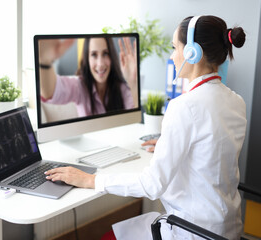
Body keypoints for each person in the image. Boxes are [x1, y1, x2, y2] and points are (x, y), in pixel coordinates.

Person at [45, 15, 247, 240]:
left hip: (192, 231)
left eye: (174, 47)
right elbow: (210, 150)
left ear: (192, 52)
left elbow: (152, 185)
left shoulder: (183, 107)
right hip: (227, 230)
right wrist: (169, 143)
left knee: (107, 237)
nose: (172, 56)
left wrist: (91, 180)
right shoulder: (237, 101)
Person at [38, 36, 138, 117]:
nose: (100, 64)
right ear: (87, 59)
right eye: (94, 55)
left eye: (105, 53)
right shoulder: (79, 86)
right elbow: (49, 92)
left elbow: (134, 120)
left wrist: (133, 83)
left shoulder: (122, 88)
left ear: (112, 57)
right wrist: (44, 61)